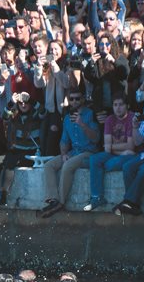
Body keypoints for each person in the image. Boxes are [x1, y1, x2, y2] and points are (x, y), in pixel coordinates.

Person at [40, 90, 101, 218]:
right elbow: (64, 141)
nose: (74, 102)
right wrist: (63, 154)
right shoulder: (67, 118)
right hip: (74, 152)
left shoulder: (90, 114)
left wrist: (82, 124)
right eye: (71, 99)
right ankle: (53, 200)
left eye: (77, 99)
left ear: (83, 99)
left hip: (89, 152)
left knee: (67, 165)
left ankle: (61, 202)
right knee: (49, 165)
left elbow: (96, 138)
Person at [85, 95, 138, 211]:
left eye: (121, 104)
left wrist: (115, 148)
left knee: (110, 164)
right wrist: (123, 151)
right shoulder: (109, 119)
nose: (118, 108)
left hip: (130, 155)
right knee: (94, 159)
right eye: (115, 105)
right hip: (121, 153)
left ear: (127, 106)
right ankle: (97, 197)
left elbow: (131, 146)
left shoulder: (132, 118)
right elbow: (107, 148)